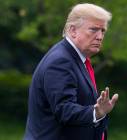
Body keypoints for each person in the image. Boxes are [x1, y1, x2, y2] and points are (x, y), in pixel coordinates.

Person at [23, 3, 118, 140]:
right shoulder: (61, 61)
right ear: (73, 30)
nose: (99, 36)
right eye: (93, 29)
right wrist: (95, 113)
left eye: (102, 31)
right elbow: (64, 110)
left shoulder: (75, 59)